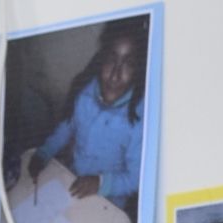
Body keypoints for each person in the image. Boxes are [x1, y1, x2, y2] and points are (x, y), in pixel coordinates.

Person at [27, 19, 146, 212]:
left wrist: (100, 183)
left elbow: (136, 179)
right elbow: (67, 127)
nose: (115, 74)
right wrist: (44, 152)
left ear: (138, 70)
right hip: (73, 180)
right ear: (102, 58)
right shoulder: (84, 92)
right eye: (112, 59)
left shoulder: (139, 120)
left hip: (109, 201)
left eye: (128, 64)